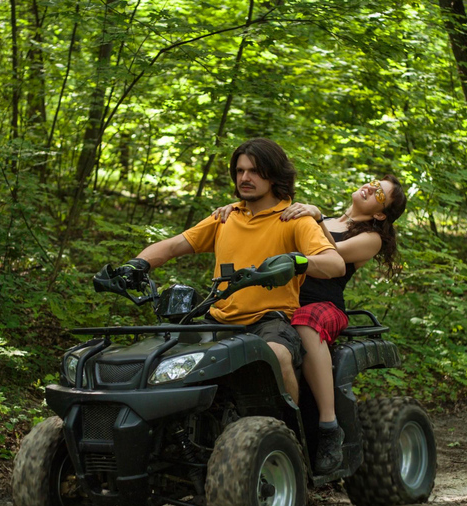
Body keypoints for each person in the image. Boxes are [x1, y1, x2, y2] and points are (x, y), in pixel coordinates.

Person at [117, 138, 345, 404]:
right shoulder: (226, 217)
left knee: (276, 354)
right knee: (162, 353)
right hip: (218, 320)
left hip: (270, 322)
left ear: (274, 176)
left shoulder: (294, 218)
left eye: (255, 171)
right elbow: (173, 245)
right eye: (240, 171)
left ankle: (287, 437)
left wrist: (298, 262)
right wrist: (137, 264)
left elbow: (335, 264)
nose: (245, 178)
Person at [213, 174, 407, 474]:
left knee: (305, 322)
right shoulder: (320, 218)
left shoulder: (371, 238)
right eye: (372, 182)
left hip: (322, 306)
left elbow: (332, 258)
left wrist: (314, 218)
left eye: (379, 193)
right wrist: (235, 209)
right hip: (282, 301)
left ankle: (329, 426)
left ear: (380, 213)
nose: (369, 187)